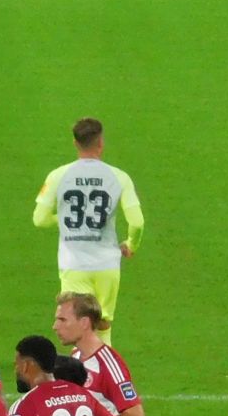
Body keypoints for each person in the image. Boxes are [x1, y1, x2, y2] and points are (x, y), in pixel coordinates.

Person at [32, 117, 146, 334]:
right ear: (101, 143)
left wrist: (66, 219)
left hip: (73, 265)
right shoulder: (119, 177)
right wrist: (131, 244)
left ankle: (82, 359)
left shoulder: (58, 175)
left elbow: (39, 219)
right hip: (107, 264)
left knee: (77, 330)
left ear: (75, 143)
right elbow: (137, 222)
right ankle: (106, 358)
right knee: (102, 328)